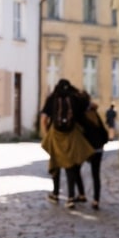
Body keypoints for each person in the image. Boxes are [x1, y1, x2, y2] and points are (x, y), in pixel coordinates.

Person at [39, 79, 94, 208]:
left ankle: (55, 194)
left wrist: (47, 134)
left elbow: (43, 119)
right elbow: (88, 109)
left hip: (55, 135)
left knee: (56, 164)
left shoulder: (52, 98)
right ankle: (70, 198)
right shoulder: (74, 98)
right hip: (71, 136)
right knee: (71, 167)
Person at [81, 99, 109, 209]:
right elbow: (104, 134)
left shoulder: (82, 118)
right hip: (98, 150)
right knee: (95, 175)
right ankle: (96, 200)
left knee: (76, 170)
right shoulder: (96, 117)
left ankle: (80, 193)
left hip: (87, 150)